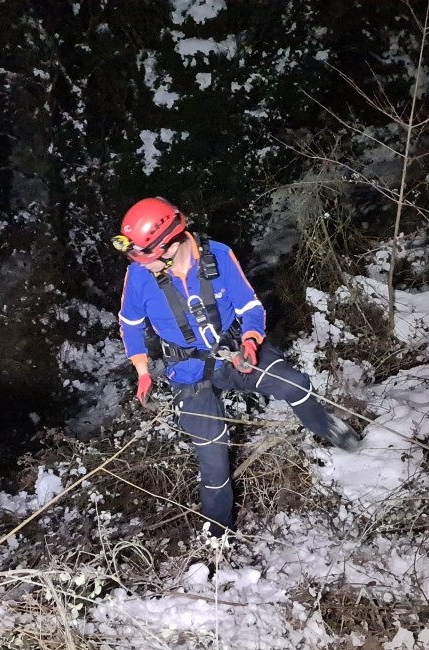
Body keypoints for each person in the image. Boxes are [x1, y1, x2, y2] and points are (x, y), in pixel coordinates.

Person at [114, 196, 362, 537]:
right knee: (213, 463)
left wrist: (249, 342)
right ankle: (219, 536)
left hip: (233, 352)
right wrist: (142, 370)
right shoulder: (139, 275)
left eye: (150, 257)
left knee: (293, 383)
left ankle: (325, 426)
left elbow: (250, 306)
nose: (144, 265)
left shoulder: (218, 255)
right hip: (187, 371)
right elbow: (130, 323)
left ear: (171, 243)